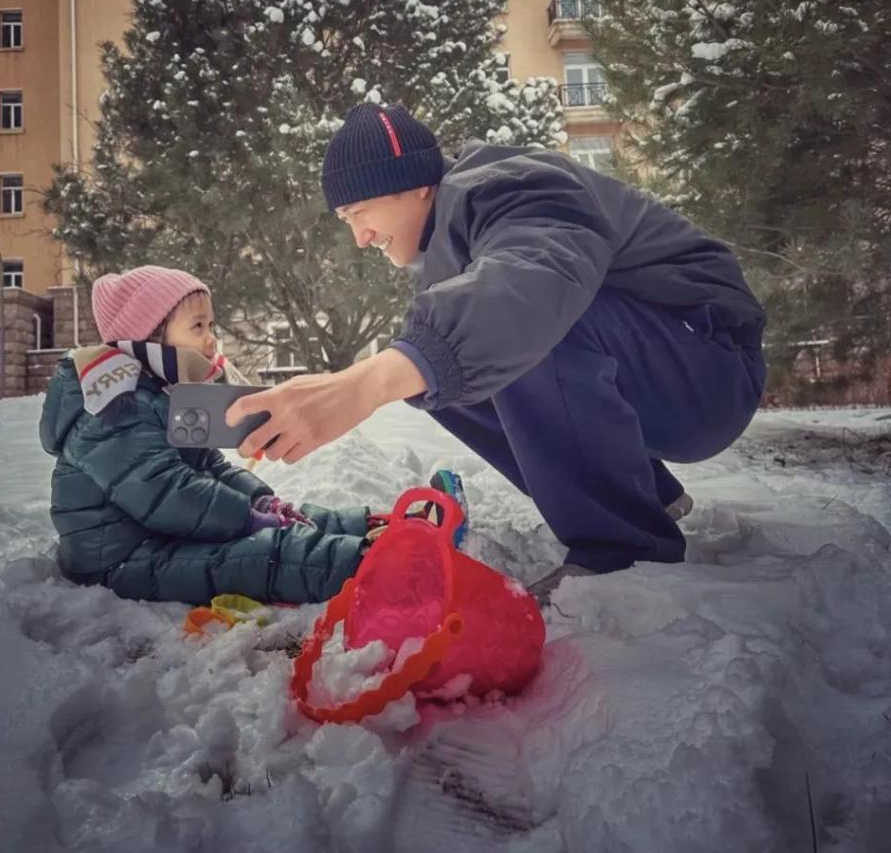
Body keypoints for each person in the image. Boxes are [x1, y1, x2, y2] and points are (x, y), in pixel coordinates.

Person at [227, 104, 767, 594]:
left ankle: (623, 550)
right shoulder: (453, 246)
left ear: (414, 185)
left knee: (502, 324)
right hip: (669, 369)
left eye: (360, 211)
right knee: (444, 367)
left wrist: (364, 385)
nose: (360, 238)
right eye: (346, 221)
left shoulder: (511, 186)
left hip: (709, 364)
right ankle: (644, 499)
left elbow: (534, 278)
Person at [39, 265, 372, 605]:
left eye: (211, 325)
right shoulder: (110, 405)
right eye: (198, 326)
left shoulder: (161, 393)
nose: (211, 337)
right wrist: (246, 518)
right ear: (149, 335)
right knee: (263, 555)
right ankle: (370, 566)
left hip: (166, 534)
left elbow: (210, 465)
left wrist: (260, 501)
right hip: (121, 561)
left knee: (288, 521)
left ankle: (368, 528)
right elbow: (167, 490)